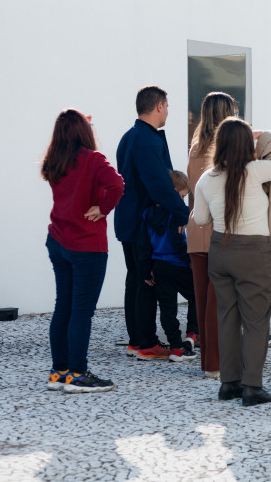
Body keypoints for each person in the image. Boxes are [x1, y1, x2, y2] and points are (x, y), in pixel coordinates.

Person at [193, 117, 271, 406]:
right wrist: (264, 138)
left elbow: (200, 219)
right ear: (247, 144)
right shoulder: (257, 171)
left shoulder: (206, 178)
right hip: (253, 253)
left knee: (227, 318)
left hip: (220, 251)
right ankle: (252, 387)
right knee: (256, 321)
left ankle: (229, 383)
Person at [42, 109, 124, 393]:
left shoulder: (54, 161)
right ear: (84, 132)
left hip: (58, 240)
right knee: (81, 311)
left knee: (63, 305)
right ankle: (78, 374)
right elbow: (117, 183)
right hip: (87, 245)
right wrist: (102, 209)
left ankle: (59, 372)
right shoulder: (92, 159)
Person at [114, 86, 190, 360]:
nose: (168, 111)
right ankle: (146, 343)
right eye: (167, 106)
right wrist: (183, 214)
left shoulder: (129, 137)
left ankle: (136, 341)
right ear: (159, 106)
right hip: (143, 224)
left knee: (134, 279)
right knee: (146, 281)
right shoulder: (147, 140)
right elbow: (159, 185)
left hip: (128, 220)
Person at [187, 92, 238, 378]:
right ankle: (216, 364)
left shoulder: (195, 148)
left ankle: (209, 361)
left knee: (203, 298)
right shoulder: (224, 151)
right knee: (218, 300)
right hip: (218, 229)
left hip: (195, 229)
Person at [137, 170, 199, 362]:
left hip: (159, 267)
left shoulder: (146, 214)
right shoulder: (175, 214)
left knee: (167, 308)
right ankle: (192, 334)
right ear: (173, 191)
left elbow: (144, 245)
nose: (182, 200)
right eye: (182, 195)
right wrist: (190, 261)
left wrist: (146, 270)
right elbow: (177, 242)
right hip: (179, 265)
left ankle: (176, 347)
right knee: (198, 296)